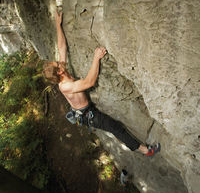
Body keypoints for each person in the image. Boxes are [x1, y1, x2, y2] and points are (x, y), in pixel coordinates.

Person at [43, 11, 161, 157]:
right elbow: (89, 82)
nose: (61, 62)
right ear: (59, 73)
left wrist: (57, 24)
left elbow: (62, 48)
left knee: (115, 127)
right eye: (58, 64)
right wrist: (96, 58)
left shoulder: (62, 72)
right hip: (87, 115)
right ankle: (146, 151)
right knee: (115, 127)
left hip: (86, 109)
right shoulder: (65, 86)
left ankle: (142, 149)